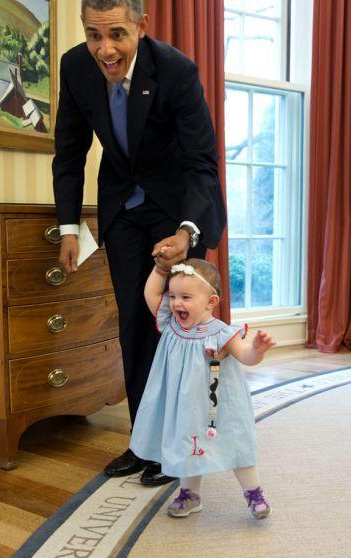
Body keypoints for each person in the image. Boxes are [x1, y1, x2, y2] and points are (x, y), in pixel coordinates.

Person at [52, 0, 226, 485]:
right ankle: (144, 442)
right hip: (123, 210)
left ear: (141, 27)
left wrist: (187, 231)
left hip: (177, 208)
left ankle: (181, 444)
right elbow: (69, 152)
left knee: (180, 327)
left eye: (117, 35)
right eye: (93, 35)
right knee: (134, 322)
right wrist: (69, 228)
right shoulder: (75, 67)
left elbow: (201, 162)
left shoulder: (175, 71)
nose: (105, 50)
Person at [130, 258, 276, 519]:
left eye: (185, 297)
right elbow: (150, 293)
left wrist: (257, 350)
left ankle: (254, 493)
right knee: (187, 444)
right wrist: (160, 269)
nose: (176, 303)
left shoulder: (221, 333)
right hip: (184, 405)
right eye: (173, 296)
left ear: (210, 302)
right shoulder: (171, 324)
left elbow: (246, 356)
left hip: (217, 405)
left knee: (236, 443)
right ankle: (190, 495)